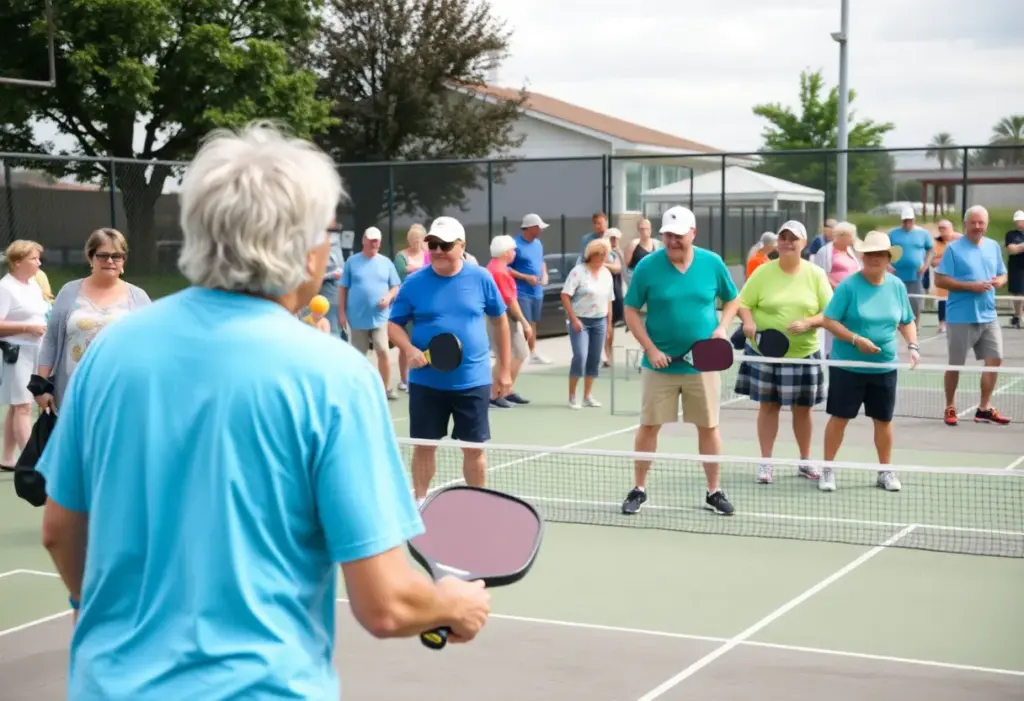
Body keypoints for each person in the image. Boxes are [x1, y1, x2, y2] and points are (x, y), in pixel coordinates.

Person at [37, 123, 491, 701]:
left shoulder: (109, 353)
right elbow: (388, 604)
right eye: (330, 230)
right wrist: (454, 603)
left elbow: (59, 530)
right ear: (304, 248)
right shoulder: (337, 377)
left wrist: (98, 619)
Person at [620, 206, 740, 517]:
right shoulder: (647, 266)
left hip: (703, 364)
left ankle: (713, 491)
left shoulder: (712, 263)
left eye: (679, 235)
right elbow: (631, 310)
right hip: (659, 365)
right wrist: (650, 348)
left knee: (708, 426)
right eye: (668, 235)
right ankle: (639, 488)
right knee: (649, 426)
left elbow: (733, 298)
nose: (673, 241)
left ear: (693, 233)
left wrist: (722, 327)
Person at [388, 216, 512, 504]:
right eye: (433, 244)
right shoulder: (413, 283)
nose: (438, 250)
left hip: (472, 381)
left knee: (473, 449)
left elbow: (500, 321)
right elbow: (394, 326)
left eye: (445, 245)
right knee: (424, 447)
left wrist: (503, 369)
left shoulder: (481, 278)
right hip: (426, 383)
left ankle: (477, 504)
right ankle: (420, 502)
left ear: (462, 246)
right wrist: (408, 350)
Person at [818, 231, 920, 493]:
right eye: (870, 254)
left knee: (883, 420)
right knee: (840, 418)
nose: (875, 258)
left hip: (884, 367)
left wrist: (913, 346)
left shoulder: (896, 286)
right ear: (863, 257)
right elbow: (830, 320)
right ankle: (827, 469)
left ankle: (885, 470)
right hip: (848, 367)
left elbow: (906, 321)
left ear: (888, 258)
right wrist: (855, 340)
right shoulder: (849, 286)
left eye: (880, 254)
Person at [735, 220, 833, 484]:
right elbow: (743, 303)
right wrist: (748, 321)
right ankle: (766, 463)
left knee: (803, 409)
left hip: (804, 353)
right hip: (765, 353)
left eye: (793, 238)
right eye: (783, 237)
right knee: (768, 407)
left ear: (803, 243)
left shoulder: (815, 274)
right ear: (777, 242)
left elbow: (829, 312)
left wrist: (810, 322)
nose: (788, 242)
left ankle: (804, 460)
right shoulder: (763, 272)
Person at [37, 228, 151, 414]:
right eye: (103, 255)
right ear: (90, 257)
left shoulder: (138, 297)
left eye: (117, 256)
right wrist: (40, 385)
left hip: (121, 393)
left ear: (123, 260)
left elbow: (150, 345)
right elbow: (50, 340)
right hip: (73, 394)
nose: (110, 261)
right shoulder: (69, 292)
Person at [934, 205, 1010, 426]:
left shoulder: (993, 246)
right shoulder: (953, 249)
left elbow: (1002, 274)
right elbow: (940, 280)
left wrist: (999, 281)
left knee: (995, 360)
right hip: (960, 316)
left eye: (981, 223)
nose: (977, 226)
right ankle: (950, 406)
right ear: (965, 224)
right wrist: (970, 286)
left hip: (989, 315)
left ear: (986, 224)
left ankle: (984, 409)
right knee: (956, 364)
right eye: (973, 222)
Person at [0, 240, 49, 472]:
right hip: (16, 353)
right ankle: (32, 463)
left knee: (16, 406)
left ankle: (7, 459)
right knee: (23, 407)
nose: (38, 262)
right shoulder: (5, 287)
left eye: (38, 258)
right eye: (33, 258)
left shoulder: (32, 285)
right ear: (17, 262)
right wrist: (27, 329)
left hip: (35, 350)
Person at [339, 227, 401, 399]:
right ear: (364, 241)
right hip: (357, 317)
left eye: (377, 241)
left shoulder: (386, 262)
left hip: (380, 317)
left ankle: (385, 388)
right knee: (360, 355)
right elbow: (343, 288)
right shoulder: (352, 261)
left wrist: (388, 297)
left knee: (383, 350)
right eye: (371, 240)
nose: (374, 244)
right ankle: (358, 389)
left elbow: (395, 286)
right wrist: (342, 313)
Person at [561, 237, 615, 409]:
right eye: (600, 256)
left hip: (600, 320)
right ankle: (572, 396)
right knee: (580, 356)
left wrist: (609, 324)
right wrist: (574, 319)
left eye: (605, 256)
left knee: (594, 359)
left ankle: (587, 395)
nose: (603, 260)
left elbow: (609, 299)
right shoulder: (578, 272)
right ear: (592, 255)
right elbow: (565, 295)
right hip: (580, 320)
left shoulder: (606, 274)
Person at [484, 235, 532, 409]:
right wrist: (525, 323)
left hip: (502, 318)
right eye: (512, 250)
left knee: (518, 354)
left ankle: (506, 390)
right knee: (507, 357)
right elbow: (510, 301)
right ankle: (493, 394)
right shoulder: (499, 271)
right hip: (502, 320)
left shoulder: (496, 268)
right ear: (505, 252)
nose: (514, 253)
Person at [812, 221, 862, 357]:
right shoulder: (825, 251)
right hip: (833, 296)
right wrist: (837, 287)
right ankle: (831, 355)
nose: (852, 239)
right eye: (850, 236)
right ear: (841, 236)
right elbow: (820, 273)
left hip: (852, 297)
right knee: (832, 327)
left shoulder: (850, 251)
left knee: (849, 326)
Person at [507, 213, 550, 364]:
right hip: (521, 291)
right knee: (523, 322)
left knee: (533, 323)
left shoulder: (538, 244)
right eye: (538, 227)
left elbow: (542, 262)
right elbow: (507, 268)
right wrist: (526, 277)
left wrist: (544, 275)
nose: (540, 230)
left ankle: (532, 353)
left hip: (537, 292)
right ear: (530, 228)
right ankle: (520, 353)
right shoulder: (514, 245)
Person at [394, 223, 431, 390]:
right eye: (415, 240)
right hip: (406, 304)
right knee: (405, 343)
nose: (418, 243)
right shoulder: (401, 256)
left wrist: (419, 268)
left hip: (425, 302)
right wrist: (421, 268)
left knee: (423, 340)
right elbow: (402, 271)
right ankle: (404, 379)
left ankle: (423, 376)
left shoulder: (428, 255)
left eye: (420, 239)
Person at [888, 206, 933, 328]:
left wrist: (925, 265)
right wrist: (888, 266)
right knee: (898, 299)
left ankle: (915, 326)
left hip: (916, 273)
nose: (908, 223)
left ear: (914, 220)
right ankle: (900, 325)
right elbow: (885, 251)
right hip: (897, 272)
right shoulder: (893, 233)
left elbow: (930, 250)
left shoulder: (923, 233)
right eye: (905, 221)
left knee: (916, 301)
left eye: (910, 220)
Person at [930, 219, 962, 334]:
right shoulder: (937, 243)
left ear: (951, 228)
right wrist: (944, 260)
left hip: (958, 276)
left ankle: (957, 323)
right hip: (943, 275)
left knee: (958, 299)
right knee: (942, 301)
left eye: (945, 228)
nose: (942, 231)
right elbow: (933, 262)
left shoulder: (960, 240)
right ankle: (942, 324)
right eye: (940, 229)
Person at [601, 228, 625, 367]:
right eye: (612, 238)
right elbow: (615, 268)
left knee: (610, 326)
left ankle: (607, 354)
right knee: (604, 325)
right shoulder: (605, 253)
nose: (614, 241)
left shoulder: (618, 253)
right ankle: (605, 355)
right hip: (602, 295)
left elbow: (619, 269)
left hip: (616, 294)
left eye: (616, 238)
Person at [1005, 210, 1024, 329]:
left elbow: (1016, 248)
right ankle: (1018, 316)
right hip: (1016, 267)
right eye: (1016, 221)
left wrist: (1019, 247)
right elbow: (1011, 250)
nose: (1018, 223)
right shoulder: (1011, 234)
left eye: (1020, 220)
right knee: (1018, 292)